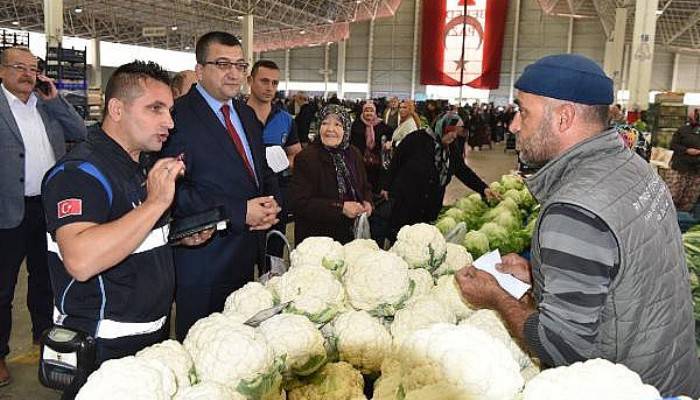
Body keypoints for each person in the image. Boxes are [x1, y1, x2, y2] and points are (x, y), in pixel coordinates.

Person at [455, 54, 700, 397]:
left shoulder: (575, 208)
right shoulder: (632, 167)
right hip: (670, 372)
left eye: (523, 112)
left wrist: (496, 297)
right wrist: (541, 272)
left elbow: (561, 346)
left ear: (564, 117)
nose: (513, 126)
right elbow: (625, 267)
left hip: (624, 386)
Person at [41, 61, 212, 393]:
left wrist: (175, 238)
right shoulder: (79, 173)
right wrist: (156, 204)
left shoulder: (136, 164)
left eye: (170, 110)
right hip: (103, 348)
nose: (169, 122)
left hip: (147, 338)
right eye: (155, 109)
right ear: (116, 109)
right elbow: (81, 259)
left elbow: (126, 234)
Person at [161, 31, 280, 341]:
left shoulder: (246, 114)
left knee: (240, 342)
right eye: (223, 63)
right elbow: (172, 191)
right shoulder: (177, 118)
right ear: (200, 70)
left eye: (240, 65)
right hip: (204, 259)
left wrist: (272, 202)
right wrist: (239, 211)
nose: (234, 73)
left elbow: (260, 170)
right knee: (202, 348)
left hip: (246, 254)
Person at [0, 46, 87, 386]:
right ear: (2, 70)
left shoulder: (46, 105)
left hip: (47, 208)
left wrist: (54, 100)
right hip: (7, 209)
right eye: (19, 67)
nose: (27, 74)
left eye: (33, 68)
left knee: (46, 279)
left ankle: (43, 336)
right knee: (2, 288)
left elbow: (80, 132)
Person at [381, 112, 494, 241]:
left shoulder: (451, 148)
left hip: (431, 208)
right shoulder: (415, 139)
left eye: (457, 132)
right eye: (451, 130)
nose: (454, 135)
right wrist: (385, 186)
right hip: (406, 205)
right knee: (402, 241)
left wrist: (483, 188)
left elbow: (462, 170)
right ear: (441, 126)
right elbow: (395, 163)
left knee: (424, 244)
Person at [289, 104, 372, 244]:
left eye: (338, 124)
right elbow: (300, 203)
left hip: (350, 236)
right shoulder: (306, 158)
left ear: (346, 128)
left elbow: (364, 185)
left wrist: (367, 201)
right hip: (317, 239)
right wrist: (341, 208)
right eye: (325, 123)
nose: (330, 129)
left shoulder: (354, 154)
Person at [245, 59, 301, 257]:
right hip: (245, 193)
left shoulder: (285, 119)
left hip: (278, 193)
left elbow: (295, 153)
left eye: (275, 83)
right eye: (264, 81)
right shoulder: (236, 115)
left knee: (274, 252)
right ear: (250, 80)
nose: (270, 88)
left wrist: (286, 164)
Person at [349, 100, 392, 194]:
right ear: (363, 112)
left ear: (375, 112)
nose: (369, 113)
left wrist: (389, 143)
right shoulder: (356, 124)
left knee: (374, 186)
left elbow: (390, 137)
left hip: (376, 163)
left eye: (371, 111)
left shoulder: (382, 126)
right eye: (366, 111)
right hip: (359, 162)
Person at [666, 120, 700, 212]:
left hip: (696, 172)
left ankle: (682, 220)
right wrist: (686, 150)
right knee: (672, 195)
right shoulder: (684, 130)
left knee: (689, 200)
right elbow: (673, 145)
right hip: (679, 168)